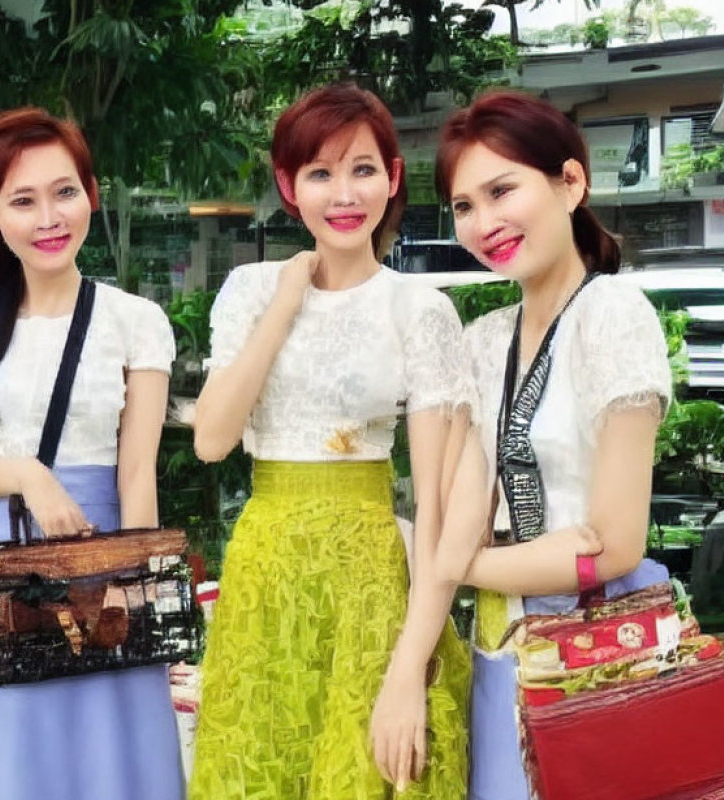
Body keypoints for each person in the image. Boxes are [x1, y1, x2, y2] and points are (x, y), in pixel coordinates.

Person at [189, 82, 471, 800]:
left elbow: (436, 503)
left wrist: (411, 664)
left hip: (371, 574)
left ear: (393, 178)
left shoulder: (420, 308)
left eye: (363, 169)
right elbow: (213, 440)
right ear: (289, 186)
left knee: (367, 768)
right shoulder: (252, 289)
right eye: (320, 173)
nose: (344, 193)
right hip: (266, 571)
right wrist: (287, 302)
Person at [431, 90, 672, 799]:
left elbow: (613, 544)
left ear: (571, 182)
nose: (484, 222)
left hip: (599, 652)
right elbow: (457, 502)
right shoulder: (481, 341)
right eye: (464, 205)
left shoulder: (614, 315)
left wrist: (460, 565)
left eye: (502, 189)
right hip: (500, 647)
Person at [0, 107, 183, 800]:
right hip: (6, 556)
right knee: (23, 751)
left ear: (91, 194)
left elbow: (138, 471)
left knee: (121, 754)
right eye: (23, 200)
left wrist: (147, 597)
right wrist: (24, 475)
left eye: (64, 192)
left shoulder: (135, 321)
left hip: (110, 554)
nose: (49, 217)